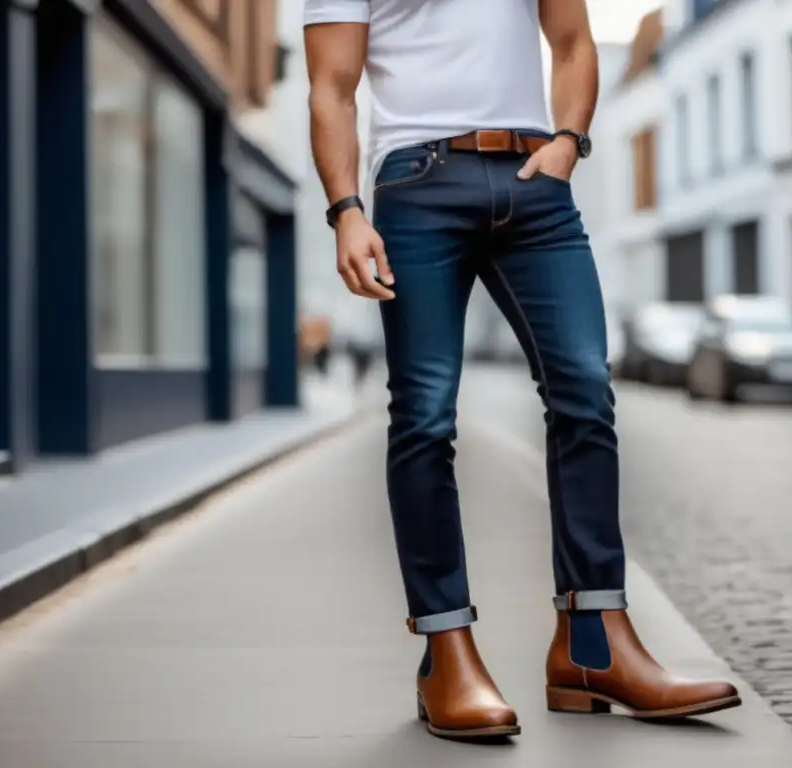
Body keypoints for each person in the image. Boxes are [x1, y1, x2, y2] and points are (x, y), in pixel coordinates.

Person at [304, 0, 741, 740]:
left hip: (537, 181)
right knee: (425, 416)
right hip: (417, 186)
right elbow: (331, 84)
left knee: (584, 393)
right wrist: (346, 209)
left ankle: (593, 643)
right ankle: (447, 654)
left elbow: (571, 42)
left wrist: (570, 139)